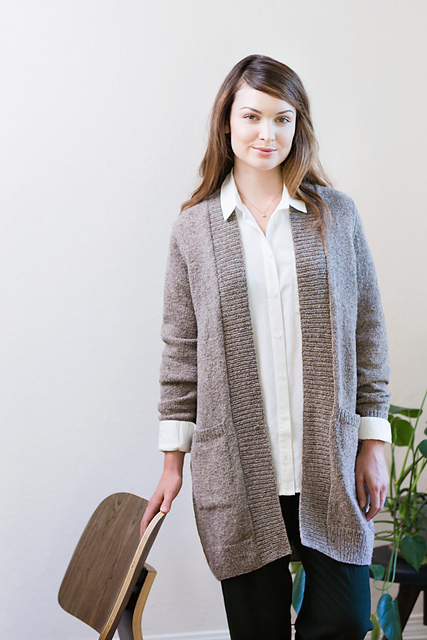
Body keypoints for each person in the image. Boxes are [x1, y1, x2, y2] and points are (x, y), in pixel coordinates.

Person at [140, 54, 391, 640]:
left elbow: (368, 331)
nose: (267, 134)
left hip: (328, 462)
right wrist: (172, 462)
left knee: (345, 618)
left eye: (283, 119)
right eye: (252, 116)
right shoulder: (193, 230)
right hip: (237, 470)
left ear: (298, 126)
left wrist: (374, 440)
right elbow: (181, 350)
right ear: (226, 122)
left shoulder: (336, 216)